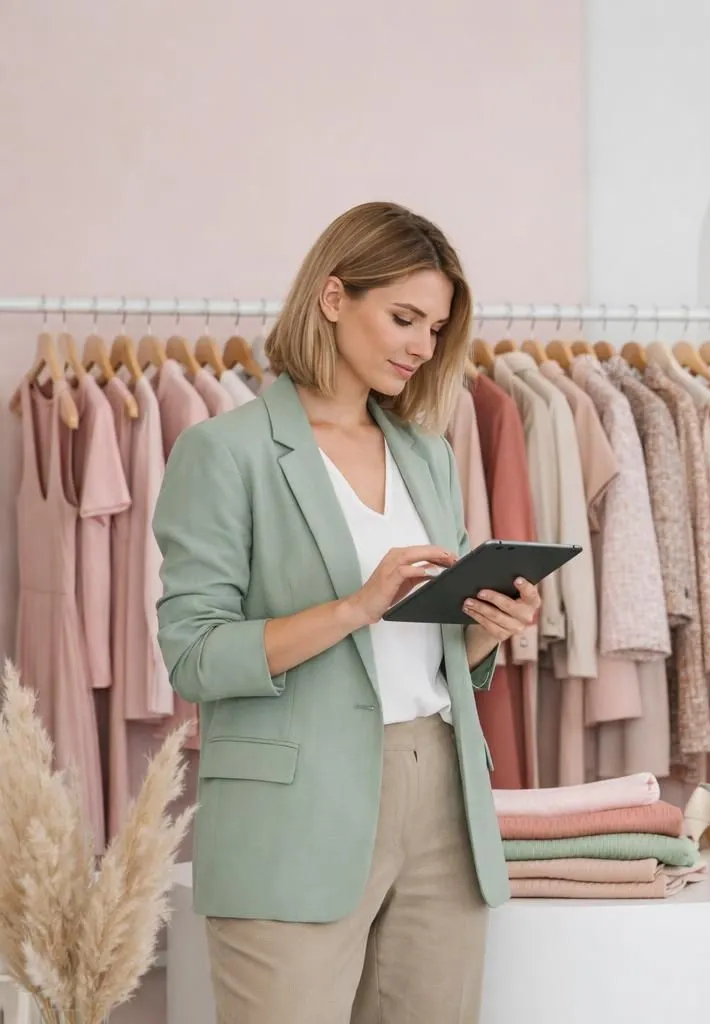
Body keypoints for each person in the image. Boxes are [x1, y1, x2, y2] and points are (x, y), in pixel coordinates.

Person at [154, 201, 539, 1023]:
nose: (421, 346)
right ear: (333, 298)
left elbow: (431, 651)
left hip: (441, 790)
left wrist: (484, 627)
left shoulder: (428, 454)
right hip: (295, 810)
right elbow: (194, 656)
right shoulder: (224, 453)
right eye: (404, 318)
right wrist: (354, 608)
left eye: (435, 329)